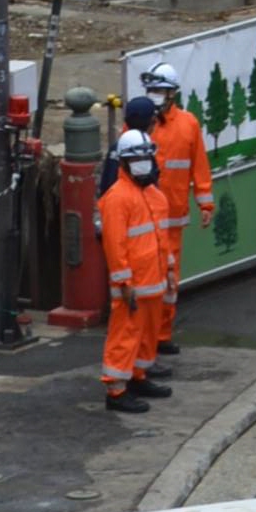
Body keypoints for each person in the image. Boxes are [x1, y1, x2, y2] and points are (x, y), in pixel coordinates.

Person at [138, 59, 211, 358]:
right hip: (144, 220)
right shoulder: (141, 125)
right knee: (148, 281)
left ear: (173, 94)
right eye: (152, 89)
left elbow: (199, 166)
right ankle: (146, 338)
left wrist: (205, 201)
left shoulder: (188, 124)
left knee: (169, 281)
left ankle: (162, 336)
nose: (155, 94)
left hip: (173, 217)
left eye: (160, 89)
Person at [96, 129, 168, 419]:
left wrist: (170, 271)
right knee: (125, 335)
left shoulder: (152, 194)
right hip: (133, 283)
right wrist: (124, 282)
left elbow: (162, 239)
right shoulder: (117, 198)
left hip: (153, 280)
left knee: (146, 335)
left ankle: (137, 376)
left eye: (146, 156)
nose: (143, 162)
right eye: (136, 157)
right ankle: (116, 390)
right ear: (124, 162)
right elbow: (115, 246)